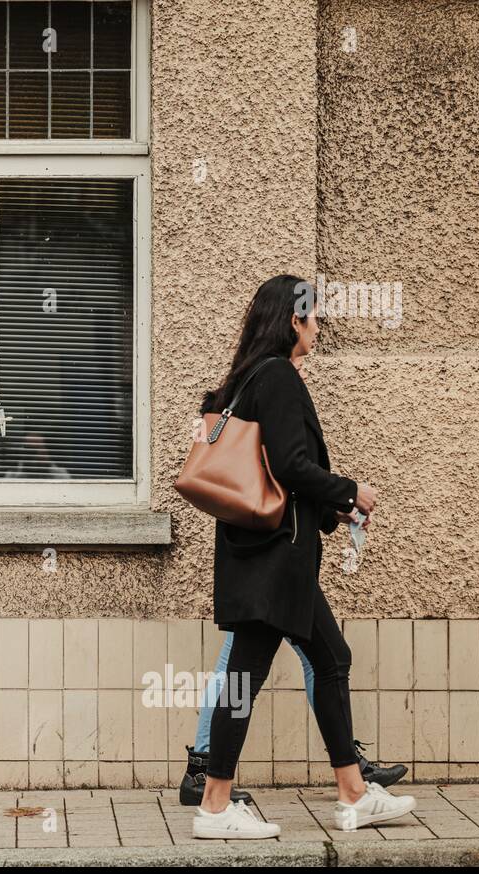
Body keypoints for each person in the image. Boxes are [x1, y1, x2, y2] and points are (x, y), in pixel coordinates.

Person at [191, 275, 416, 839]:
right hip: (276, 561)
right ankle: (214, 807)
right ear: (293, 320)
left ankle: (353, 791)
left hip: (262, 553)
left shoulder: (246, 379)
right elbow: (291, 466)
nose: (318, 327)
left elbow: (274, 475)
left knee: (329, 656)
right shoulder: (280, 378)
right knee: (247, 673)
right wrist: (347, 491)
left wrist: (327, 509)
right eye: (312, 317)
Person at [178, 629, 408, 807]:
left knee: (317, 660)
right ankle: (352, 773)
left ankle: (202, 772)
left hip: (269, 578)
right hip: (272, 579)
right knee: (319, 662)